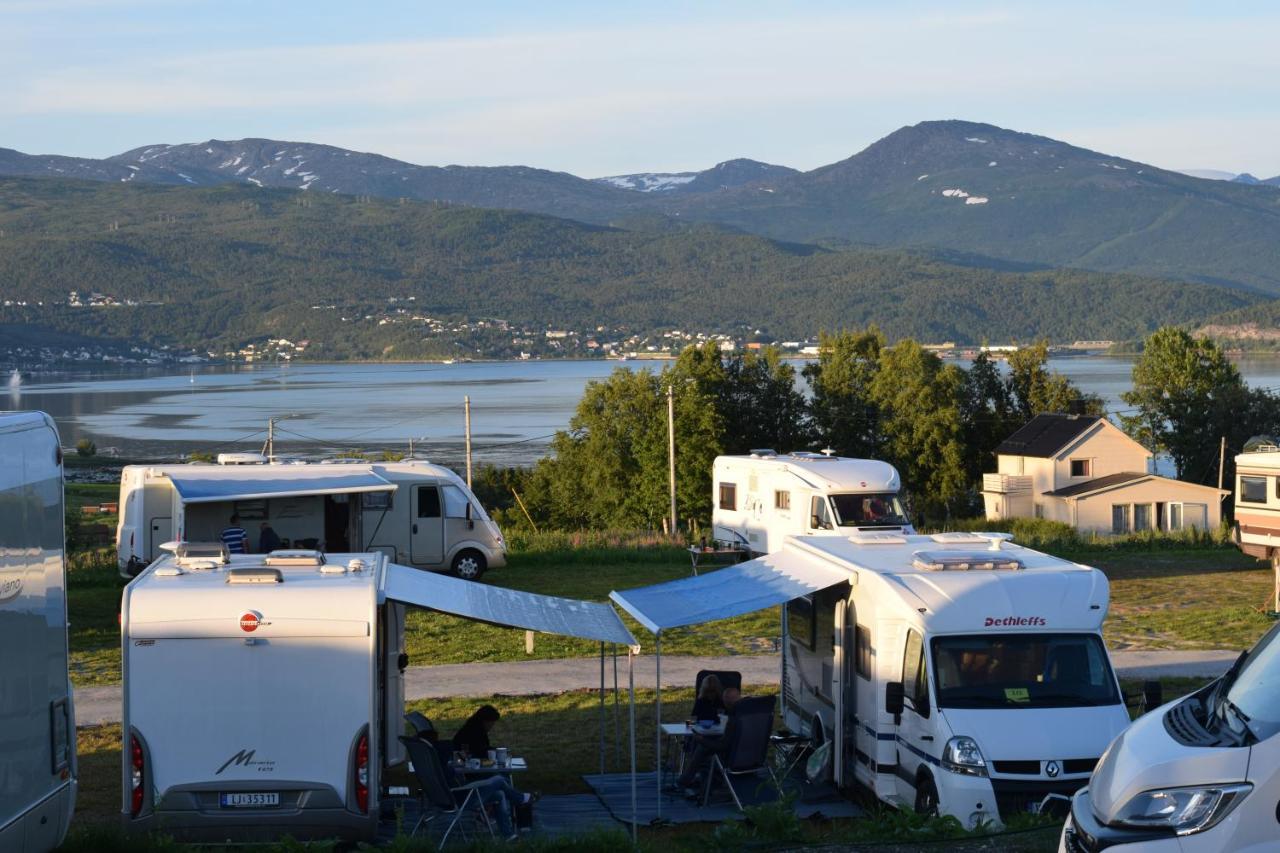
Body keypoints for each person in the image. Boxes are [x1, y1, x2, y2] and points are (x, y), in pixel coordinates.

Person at [415, 715, 533, 840]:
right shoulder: (440, 760)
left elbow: (452, 776)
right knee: (499, 779)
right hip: (459, 798)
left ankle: (508, 835)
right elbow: (454, 779)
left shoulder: (427, 763)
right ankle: (521, 799)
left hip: (441, 798)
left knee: (499, 794)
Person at [674, 687, 741, 795]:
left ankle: (684, 781)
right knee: (704, 745)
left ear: (726, 701)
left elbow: (722, 746)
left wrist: (701, 739)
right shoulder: (748, 714)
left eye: (726, 699)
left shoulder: (733, 720)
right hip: (751, 757)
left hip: (731, 758)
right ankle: (690, 779)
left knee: (702, 747)